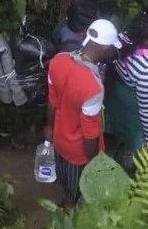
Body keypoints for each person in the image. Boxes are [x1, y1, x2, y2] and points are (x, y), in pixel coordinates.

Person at [44, 19, 120, 205]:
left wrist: (48, 127)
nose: (113, 52)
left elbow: (52, 99)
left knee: (65, 182)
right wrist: (93, 164)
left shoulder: (59, 60)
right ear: (104, 48)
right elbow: (90, 133)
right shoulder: (93, 87)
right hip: (79, 151)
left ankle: (66, 200)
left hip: (58, 137)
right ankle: (71, 217)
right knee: (80, 191)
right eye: (111, 48)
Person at [105, 12, 148, 166]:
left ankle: (123, 145)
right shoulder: (147, 68)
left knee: (124, 125)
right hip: (143, 93)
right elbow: (146, 110)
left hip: (124, 84)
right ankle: (133, 157)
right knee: (138, 133)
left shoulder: (125, 38)